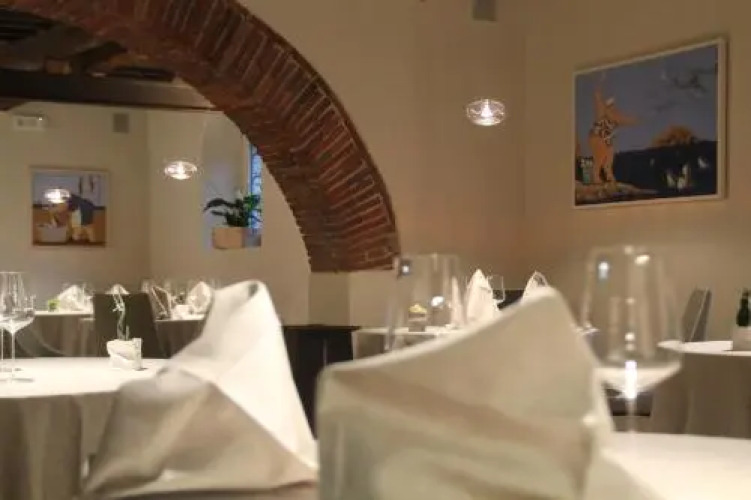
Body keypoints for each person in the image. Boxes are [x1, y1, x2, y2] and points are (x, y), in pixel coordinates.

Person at [588, 78, 638, 184]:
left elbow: (624, 120)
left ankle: (609, 175)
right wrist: (599, 85)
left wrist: (635, 120)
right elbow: (597, 97)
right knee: (600, 157)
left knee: (609, 157)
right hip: (598, 137)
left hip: (606, 139)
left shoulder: (615, 115)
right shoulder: (602, 112)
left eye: (613, 106)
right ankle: (596, 176)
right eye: (610, 106)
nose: (612, 108)